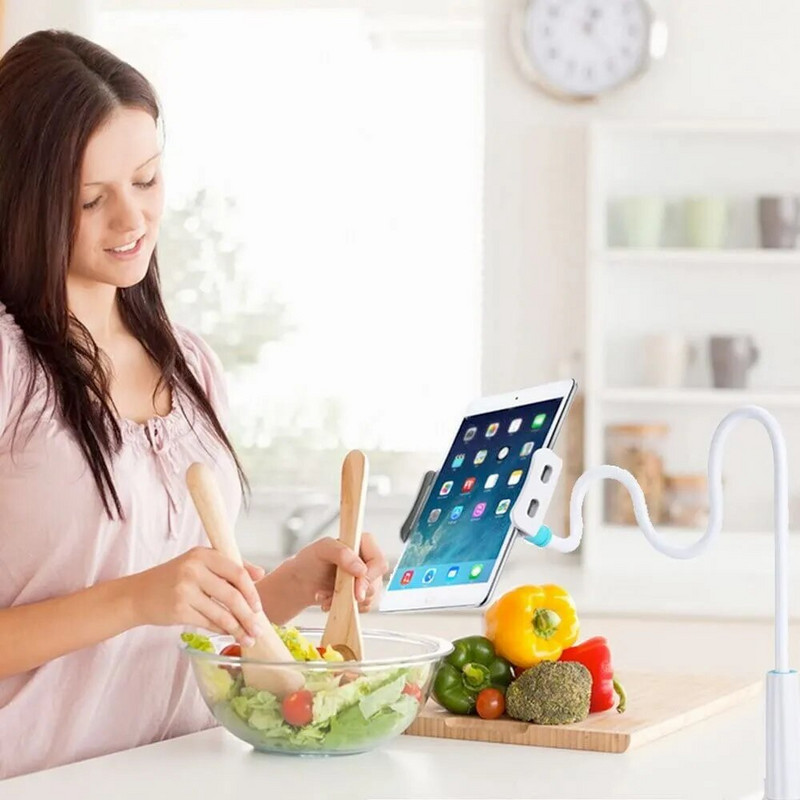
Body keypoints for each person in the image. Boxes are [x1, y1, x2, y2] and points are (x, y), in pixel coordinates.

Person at [0, 29, 388, 780]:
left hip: (183, 769)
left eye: (146, 181)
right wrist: (134, 599)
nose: (132, 220)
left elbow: (181, 628)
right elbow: (145, 599)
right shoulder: (10, 365)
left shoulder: (193, 367)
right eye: (90, 198)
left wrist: (288, 589)